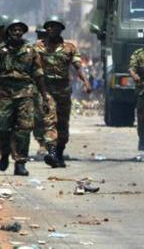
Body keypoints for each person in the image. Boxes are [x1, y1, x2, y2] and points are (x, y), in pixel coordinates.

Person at [34, 16, 91, 168]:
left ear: (61, 29)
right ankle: (51, 153)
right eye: (49, 26)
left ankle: (59, 153)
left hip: (63, 90)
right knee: (50, 120)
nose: (51, 29)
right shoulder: (38, 47)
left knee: (63, 124)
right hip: (46, 90)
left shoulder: (69, 47)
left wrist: (85, 82)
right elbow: (30, 66)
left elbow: (77, 66)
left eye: (55, 26)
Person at [0, 19, 50, 176]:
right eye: (13, 30)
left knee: (24, 129)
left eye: (19, 30)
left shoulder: (30, 50)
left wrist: (44, 96)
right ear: (8, 32)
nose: (17, 32)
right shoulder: (1, 50)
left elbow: (38, 74)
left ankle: (20, 162)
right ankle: (4, 153)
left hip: (25, 93)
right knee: (3, 127)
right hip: (4, 93)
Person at [32, 26, 58, 165]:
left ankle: (51, 149)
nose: (41, 37)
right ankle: (42, 144)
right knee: (37, 119)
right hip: (35, 89)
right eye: (39, 34)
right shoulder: (31, 50)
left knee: (49, 119)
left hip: (51, 89)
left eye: (43, 34)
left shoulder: (53, 49)